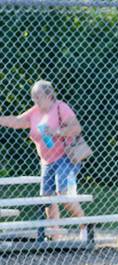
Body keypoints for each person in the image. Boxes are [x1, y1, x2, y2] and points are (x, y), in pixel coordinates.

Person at [0, 80, 87, 239]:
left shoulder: (61, 107)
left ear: (49, 95)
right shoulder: (35, 112)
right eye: (33, 97)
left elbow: (76, 128)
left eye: (38, 96)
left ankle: (84, 226)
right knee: (47, 199)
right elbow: (17, 121)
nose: (35, 100)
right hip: (47, 162)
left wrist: (56, 132)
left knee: (63, 194)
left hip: (65, 158)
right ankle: (56, 236)